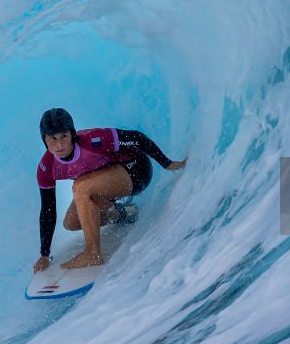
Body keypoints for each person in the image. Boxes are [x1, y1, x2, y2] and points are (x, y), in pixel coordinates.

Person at [32, 108, 186, 271]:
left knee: (80, 188)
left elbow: (137, 138)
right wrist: (44, 254)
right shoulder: (46, 168)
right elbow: (48, 210)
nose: (59, 144)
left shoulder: (93, 140)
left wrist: (168, 164)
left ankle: (93, 253)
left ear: (72, 134)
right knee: (71, 222)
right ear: (44, 140)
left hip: (136, 170)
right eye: (52, 138)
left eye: (64, 136)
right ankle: (125, 213)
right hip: (103, 182)